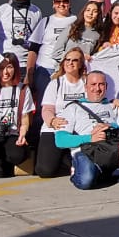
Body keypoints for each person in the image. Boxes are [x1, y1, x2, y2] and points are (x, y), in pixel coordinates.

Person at [57, 71, 119, 189]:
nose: (97, 88)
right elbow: (60, 140)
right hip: (87, 152)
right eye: (93, 84)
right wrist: (90, 138)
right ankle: (84, 172)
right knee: (85, 181)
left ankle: (105, 175)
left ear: (106, 87)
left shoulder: (112, 106)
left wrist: (110, 128)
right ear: (86, 87)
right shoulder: (72, 108)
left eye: (101, 84)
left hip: (113, 152)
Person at [36, 47, 90, 178]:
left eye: (75, 60)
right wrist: (52, 121)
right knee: (45, 171)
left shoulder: (87, 83)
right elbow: (47, 109)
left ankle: (73, 160)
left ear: (81, 64)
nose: (70, 62)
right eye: (68, 59)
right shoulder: (55, 83)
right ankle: (66, 161)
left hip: (79, 130)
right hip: (56, 128)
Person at [0, 0, 44, 90]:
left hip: (23, 65)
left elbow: (37, 41)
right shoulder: (1, 10)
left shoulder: (36, 11)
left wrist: (30, 71)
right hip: (4, 63)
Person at [32, 0, 80, 94]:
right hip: (45, 68)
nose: (61, 4)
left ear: (70, 3)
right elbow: (33, 48)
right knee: (43, 102)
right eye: (58, 2)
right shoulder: (46, 21)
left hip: (67, 68)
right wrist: (30, 72)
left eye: (65, 1)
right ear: (53, 4)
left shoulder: (77, 21)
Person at [50, 0, 104, 65]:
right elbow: (56, 53)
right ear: (83, 12)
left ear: (98, 14)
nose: (90, 13)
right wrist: (77, 58)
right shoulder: (72, 28)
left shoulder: (98, 35)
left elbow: (94, 58)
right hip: (64, 71)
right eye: (88, 10)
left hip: (83, 72)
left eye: (94, 11)